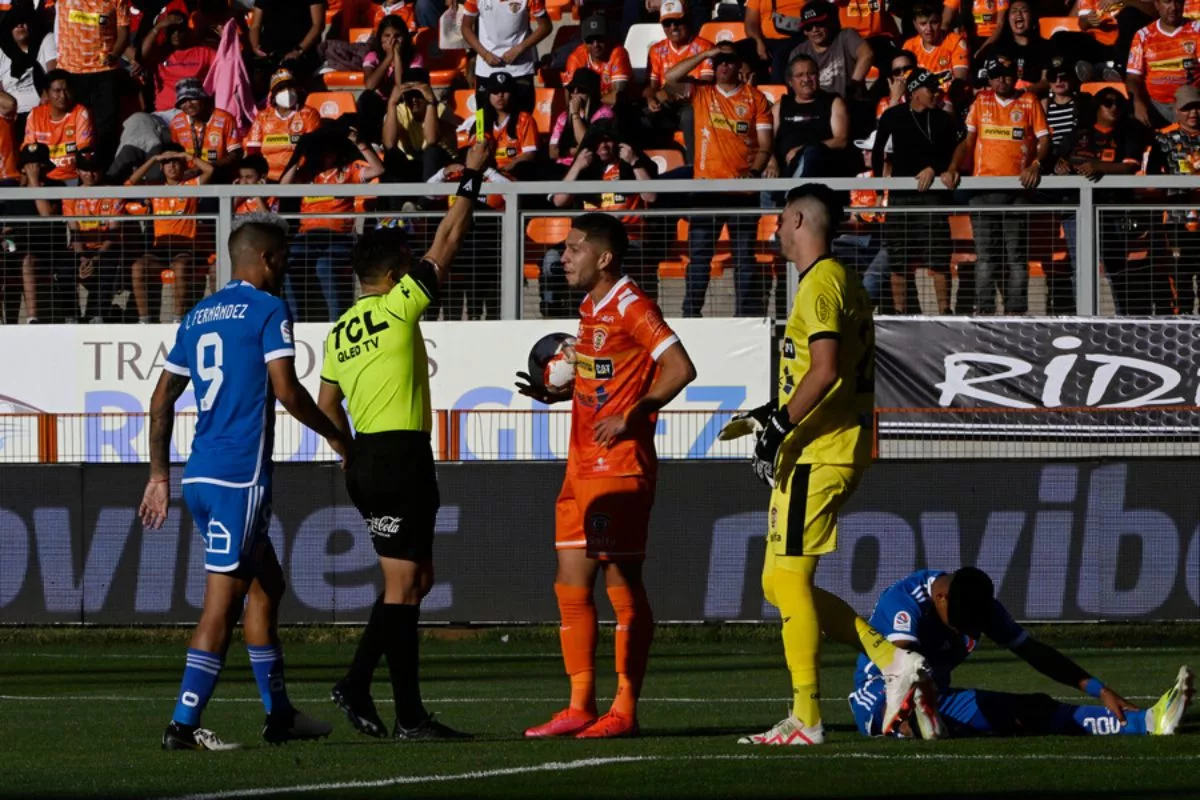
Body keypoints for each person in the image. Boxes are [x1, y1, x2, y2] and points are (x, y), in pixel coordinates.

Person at [724, 183, 939, 746]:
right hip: (827, 446)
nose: (774, 228)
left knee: (790, 578)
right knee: (777, 583)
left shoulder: (820, 281)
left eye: (779, 219)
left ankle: (808, 718)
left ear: (797, 218)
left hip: (819, 452)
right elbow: (823, 375)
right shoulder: (838, 279)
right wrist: (771, 413)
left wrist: (781, 427)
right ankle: (890, 659)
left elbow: (824, 369)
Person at [140, 214, 352, 752]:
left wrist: (160, 476)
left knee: (267, 587)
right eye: (281, 257)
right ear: (264, 259)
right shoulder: (268, 308)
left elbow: (161, 400)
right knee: (222, 606)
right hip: (240, 479)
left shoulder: (197, 315)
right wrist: (336, 436)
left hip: (202, 476)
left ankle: (279, 715)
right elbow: (287, 390)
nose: (285, 266)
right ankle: (182, 726)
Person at [318, 142, 490, 742]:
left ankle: (378, 693)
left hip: (369, 456)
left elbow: (324, 405)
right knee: (403, 585)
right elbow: (447, 241)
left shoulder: (339, 330)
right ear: (392, 276)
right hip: (400, 456)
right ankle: (391, 703)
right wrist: (470, 180)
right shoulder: (397, 308)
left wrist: (348, 452)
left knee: (413, 581)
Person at [515, 212, 697, 740]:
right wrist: (560, 391)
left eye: (573, 249)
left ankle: (624, 708)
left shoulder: (631, 305)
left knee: (621, 583)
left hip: (618, 465)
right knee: (570, 586)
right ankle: (578, 705)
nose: (563, 256)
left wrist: (636, 413)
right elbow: (605, 377)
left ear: (604, 258)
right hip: (580, 465)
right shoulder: (591, 308)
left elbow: (681, 368)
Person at [849, 567, 1194, 739]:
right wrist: (919, 699)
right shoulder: (905, 602)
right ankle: (918, 723)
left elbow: (1034, 652)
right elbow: (901, 662)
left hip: (939, 700)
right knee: (911, 686)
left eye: (973, 626)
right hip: (879, 698)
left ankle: (1147, 721)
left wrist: (1099, 688)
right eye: (960, 624)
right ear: (942, 598)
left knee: (1035, 709)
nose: (966, 632)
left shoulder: (979, 607)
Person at [666, 42, 773, 317]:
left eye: (729, 60)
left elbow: (764, 146)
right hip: (706, 190)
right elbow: (670, 78)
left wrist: (753, 173)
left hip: (742, 192)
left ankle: (745, 317)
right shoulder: (701, 94)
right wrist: (704, 54)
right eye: (719, 61)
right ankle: (691, 316)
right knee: (700, 260)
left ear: (740, 65)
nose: (723, 65)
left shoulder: (756, 99)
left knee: (744, 261)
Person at [953, 56, 1049, 315]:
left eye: (1006, 75)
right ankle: (985, 312)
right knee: (986, 258)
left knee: (1016, 257)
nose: (1001, 80)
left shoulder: (1029, 101)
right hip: (983, 190)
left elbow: (1044, 139)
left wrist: (1036, 165)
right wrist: (952, 168)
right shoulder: (981, 100)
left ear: (1014, 76)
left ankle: (1016, 313)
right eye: (996, 76)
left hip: (1017, 191)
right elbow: (968, 141)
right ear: (990, 79)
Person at [872, 68, 960, 313]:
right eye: (931, 89)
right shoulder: (892, 116)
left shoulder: (943, 118)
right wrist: (879, 191)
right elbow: (878, 153)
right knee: (898, 259)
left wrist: (934, 168)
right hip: (901, 196)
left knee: (939, 257)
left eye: (937, 89)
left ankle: (945, 311)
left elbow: (953, 153)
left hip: (933, 197)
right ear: (914, 92)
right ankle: (900, 312)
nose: (936, 93)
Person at [282, 126, 385, 322]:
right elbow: (284, 186)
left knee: (325, 266)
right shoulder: (307, 174)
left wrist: (360, 142)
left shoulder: (348, 171)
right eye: (322, 149)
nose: (326, 153)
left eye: (330, 149)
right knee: (289, 263)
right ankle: (295, 322)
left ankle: (336, 323)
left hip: (339, 237)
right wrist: (298, 154)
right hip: (307, 238)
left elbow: (378, 169)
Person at [1053, 85, 1141, 315]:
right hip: (1076, 211)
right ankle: (1084, 319)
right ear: (1097, 107)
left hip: (1112, 209)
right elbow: (1053, 161)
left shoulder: (1126, 133)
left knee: (1116, 267)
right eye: (1108, 103)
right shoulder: (1077, 134)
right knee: (1081, 268)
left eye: (1118, 104)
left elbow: (1130, 167)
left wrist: (1098, 167)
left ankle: (1125, 319)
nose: (1114, 107)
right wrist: (1058, 167)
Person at [550, 123, 658, 299]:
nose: (603, 146)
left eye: (608, 141)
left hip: (629, 240)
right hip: (588, 242)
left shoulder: (632, 166)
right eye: (598, 142)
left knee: (612, 263)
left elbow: (651, 196)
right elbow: (559, 200)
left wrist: (634, 162)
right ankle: (558, 314)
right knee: (551, 261)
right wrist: (576, 167)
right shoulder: (584, 170)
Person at [127, 144, 215, 322]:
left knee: (180, 267)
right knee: (138, 267)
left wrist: (186, 154)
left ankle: (178, 319)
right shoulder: (154, 188)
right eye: (167, 162)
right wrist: (153, 159)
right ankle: (145, 320)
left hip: (184, 248)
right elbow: (129, 184)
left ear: (183, 165)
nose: (171, 166)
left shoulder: (191, 186)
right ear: (161, 166)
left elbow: (210, 169)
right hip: (159, 248)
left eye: (175, 162)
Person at [1144, 84, 1200, 314]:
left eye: (1197, 107)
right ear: (1177, 110)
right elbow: (1151, 177)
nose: (1193, 113)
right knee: (1181, 276)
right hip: (1177, 219)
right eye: (1187, 108)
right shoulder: (1163, 138)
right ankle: (1182, 329)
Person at [55, 0, 129, 159]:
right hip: (71, 71)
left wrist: (114, 55)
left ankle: (101, 170)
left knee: (105, 127)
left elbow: (123, 30)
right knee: (74, 125)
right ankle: (78, 170)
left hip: (104, 71)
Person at [643, 0, 712, 160]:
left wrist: (676, 90)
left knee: (690, 116)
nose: (673, 27)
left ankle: (693, 167)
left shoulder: (704, 47)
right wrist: (650, 98)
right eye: (667, 23)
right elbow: (651, 87)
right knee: (644, 117)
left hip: (694, 103)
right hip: (666, 105)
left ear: (687, 19)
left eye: (678, 22)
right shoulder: (656, 50)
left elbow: (706, 85)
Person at [63, 148, 126, 323]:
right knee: (64, 268)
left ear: (101, 170)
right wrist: (83, 258)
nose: (90, 174)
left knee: (107, 266)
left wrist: (95, 258)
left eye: (94, 169)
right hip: (81, 249)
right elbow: (74, 231)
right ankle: (71, 316)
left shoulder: (114, 194)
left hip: (106, 249)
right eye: (85, 170)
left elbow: (113, 233)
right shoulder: (70, 196)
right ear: (77, 171)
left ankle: (96, 316)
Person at [767, 54, 850, 179]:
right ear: (790, 82)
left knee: (810, 155)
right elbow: (766, 141)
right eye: (799, 75)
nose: (806, 79)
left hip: (819, 167)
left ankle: (792, 194)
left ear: (818, 76)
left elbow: (841, 140)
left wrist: (802, 150)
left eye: (811, 73)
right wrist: (771, 162)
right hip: (783, 168)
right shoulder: (780, 105)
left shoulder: (833, 102)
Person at [1126, 0, 1200, 129]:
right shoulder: (1143, 36)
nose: (1173, 7)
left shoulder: (1197, 30)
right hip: (1157, 105)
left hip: (1192, 104)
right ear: (1157, 5)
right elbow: (1133, 77)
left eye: (1178, 2)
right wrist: (1138, 102)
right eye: (1167, 2)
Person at [245, 69, 323, 181]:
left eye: (290, 87)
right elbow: (253, 149)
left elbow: (313, 148)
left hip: (298, 177)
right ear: (274, 93)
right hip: (267, 178)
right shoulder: (263, 117)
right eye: (281, 88)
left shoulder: (309, 114)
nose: (287, 92)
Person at [461, 0, 550, 98]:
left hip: (520, 70)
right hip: (486, 71)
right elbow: (466, 27)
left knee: (523, 113)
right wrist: (485, 54)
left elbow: (545, 26)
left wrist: (519, 49)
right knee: (482, 113)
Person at [460, 71, 539, 180]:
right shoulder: (480, 120)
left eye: (505, 91)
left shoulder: (524, 119)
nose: (500, 96)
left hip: (512, 173)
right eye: (495, 91)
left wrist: (505, 169)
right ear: (488, 95)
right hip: (485, 173)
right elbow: (474, 153)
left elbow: (529, 154)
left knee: (524, 167)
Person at [788, 1, 873, 100]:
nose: (815, 29)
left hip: (850, 102)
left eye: (819, 24)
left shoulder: (845, 37)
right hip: (816, 106)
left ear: (829, 22)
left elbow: (867, 54)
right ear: (804, 31)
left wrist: (853, 85)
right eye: (809, 27)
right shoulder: (798, 52)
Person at [141, 9, 217, 116]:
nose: (176, 34)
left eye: (180, 30)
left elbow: (226, 69)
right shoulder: (159, 53)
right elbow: (141, 55)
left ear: (186, 31)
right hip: (166, 112)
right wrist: (158, 27)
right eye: (172, 30)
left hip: (195, 111)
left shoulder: (204, 52)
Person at [22, 69, 93, 184]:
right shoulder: (35, 114)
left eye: (66, 90)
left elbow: (84, 150)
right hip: (44, 178)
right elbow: (29, 149)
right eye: (57, 91)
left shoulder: (80, 112)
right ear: (46, 93)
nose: (63, 96)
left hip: (72, 178)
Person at [383, 77, 455, 182]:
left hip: (440, 163)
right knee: (392, 156)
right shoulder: (397, 110)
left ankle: (428, 198)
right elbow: (389, 143)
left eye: (418, 95)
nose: (414, 100)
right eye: (409, 95)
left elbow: (431, 139)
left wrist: (431, 102)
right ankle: (398, 198)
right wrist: (392, 103)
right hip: (412, 163)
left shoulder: (442, 109)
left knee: (432, 151)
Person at [169, 78, 243, 176]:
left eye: (193, 98)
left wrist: (207, 168)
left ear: (203, 98)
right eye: (183, 101)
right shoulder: (176, 123)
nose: (189, 105)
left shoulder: (225, 119)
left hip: (219, 177)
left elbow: (236, 154)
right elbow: (175, 155)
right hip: (188, 179)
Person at [0, 4, 57, 124]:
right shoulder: (2, 52)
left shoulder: (46, 41)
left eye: (23, 21)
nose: (20, 25)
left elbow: (54, 77)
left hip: (41, 115)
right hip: (11, 117)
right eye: (14, 23)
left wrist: (46, 96)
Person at [248, 0, 325, 86]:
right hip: (270, 52)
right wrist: (255, 46)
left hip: (300, 52)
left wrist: (299, 50)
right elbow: (255, 26)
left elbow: (318, 25)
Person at [549, 67, 614, 165]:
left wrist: (575, 115)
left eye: (581, 89)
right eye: (572, 89)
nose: (575, 93)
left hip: (589, 166)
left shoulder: (604, 114)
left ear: (592, 93)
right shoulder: (564, 116)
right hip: (562, 166)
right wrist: (572, 151)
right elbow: (552, 152)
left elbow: (587, 146)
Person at [563, 15, 633, 105]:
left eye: (600, 39)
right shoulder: (576, 58)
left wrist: (588, 99)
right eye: (590, 40)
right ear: (583, 42)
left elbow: (617, 97)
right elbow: (570, 95)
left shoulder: (618, 53)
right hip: (589, 110)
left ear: (608, 38)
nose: (596, 44)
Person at [902, 4, 969, 88]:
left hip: (949, 97)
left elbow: (960, 81)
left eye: (934, 22)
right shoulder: (909, 46)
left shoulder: (955, 42)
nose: (929, 28)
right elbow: (903, 81)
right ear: (915, 24)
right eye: (923, 24)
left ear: (941, 21)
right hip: (919, 98)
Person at [745, 0, 808, 83]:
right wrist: (758, 41)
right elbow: (750, 23)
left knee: (781, 54)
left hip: (797, 38)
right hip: (765, 40)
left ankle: (777, 90)